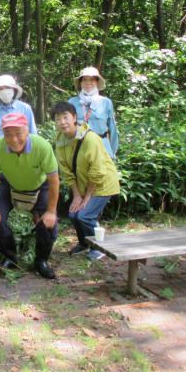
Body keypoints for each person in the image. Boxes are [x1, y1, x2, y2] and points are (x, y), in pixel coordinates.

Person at [0, 113, 60, 279]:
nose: (14, 139)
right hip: (10, 183)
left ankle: (41, 261)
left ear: (27, 131)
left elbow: (54, 181)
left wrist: (51, 211)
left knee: (48, 225)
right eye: (8, 134)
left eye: (18, 133)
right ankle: (10, 257)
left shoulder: (42, 146)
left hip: (40, 186)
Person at [52, 101, 120, 261]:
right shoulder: (61, 139)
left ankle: (99, 247)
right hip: (83, 185)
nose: (62, 122)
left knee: (85, 216)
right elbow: (66, 171)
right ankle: (84, 243)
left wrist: (87, 196)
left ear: (74, 117)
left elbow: (98, 172)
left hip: (102, 183)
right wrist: (77, 195)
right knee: (74, 214)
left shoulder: (90, 138)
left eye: (65, 117)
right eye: (58, 118)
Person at [68, 66, 119, 158]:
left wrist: (112, 152)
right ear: (80, 83)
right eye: (84, 80)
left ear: (97, 82)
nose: (88, 82)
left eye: (92, 79)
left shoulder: (106, 102)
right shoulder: (72, 102)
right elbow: (67, 128)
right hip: (79, 148)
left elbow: (112, 128)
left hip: (102, 148)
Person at [0, 75, 37, 149]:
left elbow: (33, 134)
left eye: (7, 88)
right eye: (1, 89)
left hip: (22, 151)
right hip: (1, 152)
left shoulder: (25, 108)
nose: (4, 91)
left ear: (14, 90)